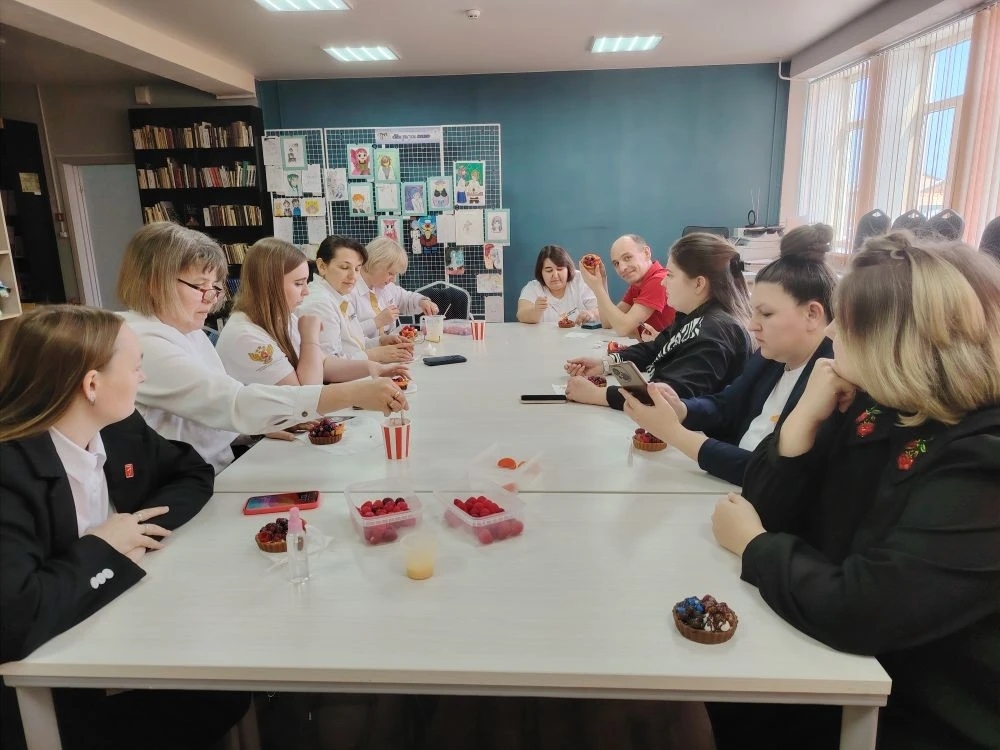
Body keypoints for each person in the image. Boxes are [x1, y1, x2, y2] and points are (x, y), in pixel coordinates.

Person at [709, 233, 1000, 750]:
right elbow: (764, 503)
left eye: (846, 324)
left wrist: (756, 546)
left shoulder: (983, 459)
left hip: (924, 708)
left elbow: (864, 607)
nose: (832, 333)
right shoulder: (877, 401)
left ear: (897, 343)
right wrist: (800, 422)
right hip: (839, 658)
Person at [0, 305, 249, 750]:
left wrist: (138, 528)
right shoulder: (10, 471)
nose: (142, 378)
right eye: (136, 368)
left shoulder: (115, 427)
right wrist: (105, 548)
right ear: (92, 385)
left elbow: (192, 472)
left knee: (225, 689)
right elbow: (16, 617)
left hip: (116, 632)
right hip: (43, 690)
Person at [117, 222, 408, 473]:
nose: (211, 299)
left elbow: (205, 417)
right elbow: (232, 402)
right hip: (194, 475)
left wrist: (255, 429)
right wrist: (353, 392)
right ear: (155, 283)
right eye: (200, 286)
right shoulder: (142, 342)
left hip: (215, 465)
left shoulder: (188, 331)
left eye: (214, 288)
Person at [622, 224, 837, 485]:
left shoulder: (828, 383)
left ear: (812, 314)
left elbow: (770, 472)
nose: (752, 325)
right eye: (754, 312)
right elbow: (726, 404)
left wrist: (674, 433)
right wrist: (681, 410)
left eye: (766, 314)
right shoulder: (771, 357)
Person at [565, 233, 752, 409]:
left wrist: (598, 395)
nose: (663, 282)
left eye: (670, 275)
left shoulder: (713, 334)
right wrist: (605, 364)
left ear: (699, 283)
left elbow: (665, 398)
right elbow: (655, 348)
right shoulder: (690, 316)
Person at [216, 238, 408, 388]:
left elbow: (325, 363)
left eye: (357, 269)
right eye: (298, 284)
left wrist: (372, 367)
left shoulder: (284, 317)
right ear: (269, 284)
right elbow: (305, 395)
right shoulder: (247, 336)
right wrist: (309, 338)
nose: (306, 291)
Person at [297, 234, 415, 365]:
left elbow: (352, 344)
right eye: (344, 267)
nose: (353, 276)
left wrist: (380, 342)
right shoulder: (319, 304)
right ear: (322, 266)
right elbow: (327, 365)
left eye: (357, 269)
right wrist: (374, 355)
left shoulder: (339, 294)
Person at [578, 234, 676, 338]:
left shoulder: (659, 280)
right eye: (616, 263)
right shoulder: (638, 282)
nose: (622, 268)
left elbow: (623, 328)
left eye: (627, 258)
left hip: (667, 348)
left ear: (646, 253)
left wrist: (597, 289)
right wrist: (602, 282)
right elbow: (607, 322)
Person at [353, 236, 438, 338]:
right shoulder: (349, 291)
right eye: (390, 273)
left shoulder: (386, 287)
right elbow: (346, 336)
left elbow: (406, 298)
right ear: (375, 263)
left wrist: (422, 301)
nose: (393, 280)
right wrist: (377, 322)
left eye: (395, 274)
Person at [517, 245, 599, 325]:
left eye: (560, 269)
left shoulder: (579, 280)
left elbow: (600, 310)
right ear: (541, 272)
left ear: (568, 269)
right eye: (549, 271)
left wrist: (591, 314)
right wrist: (536, 310)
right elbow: (521, 315)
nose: (555, 276)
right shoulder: (533, 287)